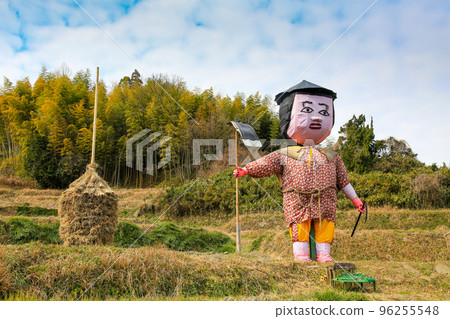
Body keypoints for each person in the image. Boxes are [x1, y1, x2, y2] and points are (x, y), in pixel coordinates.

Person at [233, 80, 365, 262]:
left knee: (325, 226)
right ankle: (301, 256)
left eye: (324, 112)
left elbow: (343, 181)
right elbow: (265, 163)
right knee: (299, 226)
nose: (318, 118)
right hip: (297, 200)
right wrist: (246, 170)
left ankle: (324, 255)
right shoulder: (285, 154)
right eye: (308, 110)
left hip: (325, 201)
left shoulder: (332, 156)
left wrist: (356, 201)